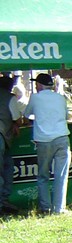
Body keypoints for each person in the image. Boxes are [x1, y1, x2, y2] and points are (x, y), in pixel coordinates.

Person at [23, 73, 71, 214]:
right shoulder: (60, 97)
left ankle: (45, 207)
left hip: (43, 140)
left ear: (39, 85)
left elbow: (26, 115)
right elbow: (67, 115)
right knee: (61, 175)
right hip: (62, 137)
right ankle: (59, 208)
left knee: (43, 175)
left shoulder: (35, 98)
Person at [0, 74, 21, 210]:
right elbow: (18, 119)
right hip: (2, 136)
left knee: (6, 166)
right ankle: (2, 202)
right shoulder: (10, 98)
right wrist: (15, 124)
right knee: (5, 170)